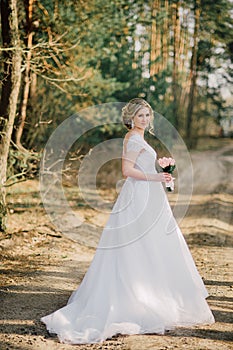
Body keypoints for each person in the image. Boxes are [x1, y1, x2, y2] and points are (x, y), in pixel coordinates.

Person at [41, 98, 215, 344]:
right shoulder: (133, 138)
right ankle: (134, 300)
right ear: (131, 118)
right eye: (140, 115)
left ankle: (152, 294)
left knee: (153, 245)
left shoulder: (138, 138)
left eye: (147, 115)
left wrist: (163, 177)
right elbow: (127, 171)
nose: (145, 119)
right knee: (140, 246)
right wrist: (157, 177)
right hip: (139, 196)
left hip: (148, 196)